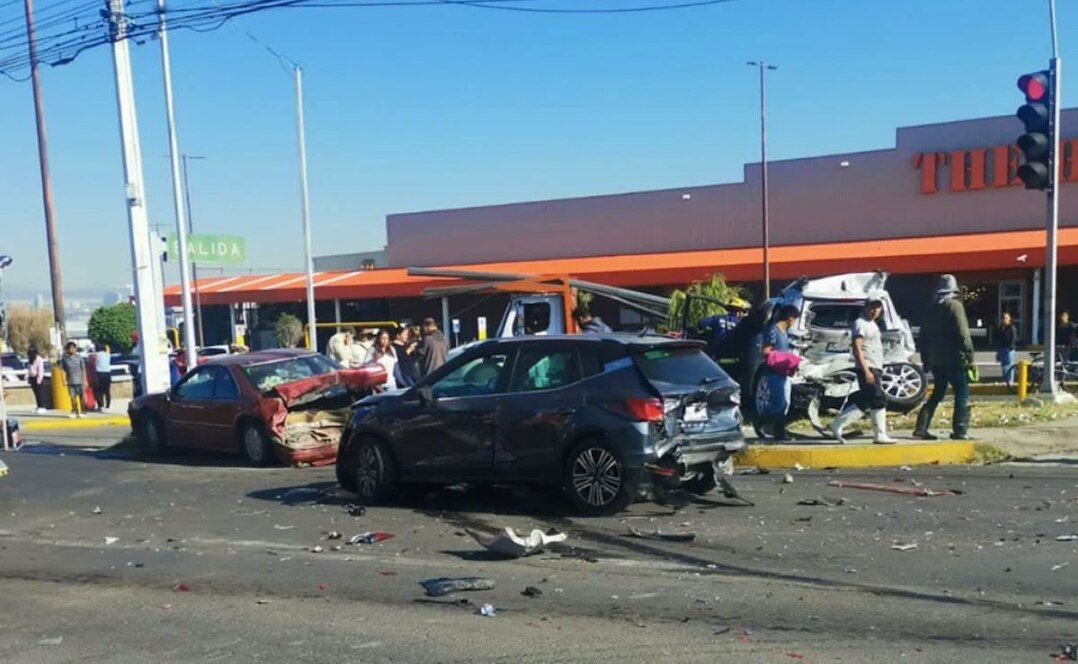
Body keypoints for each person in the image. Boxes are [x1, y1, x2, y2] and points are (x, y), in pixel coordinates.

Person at [913, 274, 976, 441]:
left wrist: (926, 360)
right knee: (961, 395)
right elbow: (963, 334)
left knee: (936, 395)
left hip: (937, 361)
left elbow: (923, 338)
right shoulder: (955, 306)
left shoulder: (930, 309)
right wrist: (970, 356)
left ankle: (921, 428)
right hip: (956, 359)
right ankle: (960, 430)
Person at [829, 299, 896, 444]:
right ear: (866, 307)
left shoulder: (872, 324)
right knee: (879, 399)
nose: (875, 311)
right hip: (868, 367)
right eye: (872, 308)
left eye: (878, 308)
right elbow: (857, 348)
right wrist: (866, 371)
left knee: (866, 400)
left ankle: (837, 424)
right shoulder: (860, 324)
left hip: (875, 366)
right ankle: (880, 434)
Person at [754, 305, 801, 442]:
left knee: (782, 403)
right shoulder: (773, 331)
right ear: (790, 318)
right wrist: (783, 357)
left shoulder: (784, 332)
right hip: (773, 371)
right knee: (780, 404)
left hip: (783, 371)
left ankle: (761, 421)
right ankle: (779, 435)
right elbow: (765, 351)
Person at [59, 341, 87, 419]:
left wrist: (85, 380)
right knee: (72, 397)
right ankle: (74, 410)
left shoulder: (79, 358)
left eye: (74, 348)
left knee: (81, 397)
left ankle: (83, 410)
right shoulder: (64, 359)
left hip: (80, 380)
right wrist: (63, 380)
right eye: (70, 348)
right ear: (67, 349)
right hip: (70, 380)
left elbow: (83, 369)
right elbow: (62, 370)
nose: (72, 350)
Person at [996, 312, 1018, 385]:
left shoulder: (1012, 328)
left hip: (1009, 349)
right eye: (1003, 318)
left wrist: (1010, 347)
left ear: (1009, 319)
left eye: (1006, 318)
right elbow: (998, 339)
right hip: (1001, 348)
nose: (1004, 320)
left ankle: (1010, 381)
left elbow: (1013, 338)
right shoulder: (1001, 328)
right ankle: (1005, 380)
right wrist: (998, 350)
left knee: (1010, 365)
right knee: (1004, 366)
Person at [26, 346, 47, 413]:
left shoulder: (39, 359)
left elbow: (41, 370)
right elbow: (29, 369)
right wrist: (27, 376)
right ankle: (38, 406)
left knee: (40, 393)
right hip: (32, 378)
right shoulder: (30, 359)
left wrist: (39, 379)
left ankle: (42, 406)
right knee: (36, 393)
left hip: (37, 378)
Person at [92, 342, 113, 411]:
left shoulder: (96, 355)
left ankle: (100, 405)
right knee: (107, 390)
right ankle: (108, 406)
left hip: (99, 374)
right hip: (107, 373)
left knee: (98, 390)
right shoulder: (108, 355)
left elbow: (92, 362)